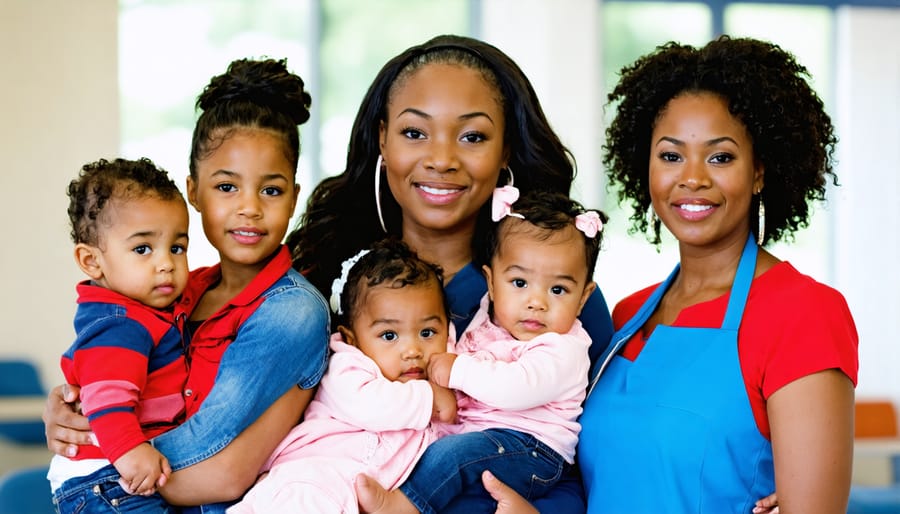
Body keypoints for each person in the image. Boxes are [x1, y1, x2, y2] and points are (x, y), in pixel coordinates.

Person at [285, 34, 616, 511]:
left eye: (473, 137)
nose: (441, 159)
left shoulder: (554, 295)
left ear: (506, 150)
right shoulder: (322, 279)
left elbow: (579, 464)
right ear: (382, 138)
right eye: (415, 133)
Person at [573, 36, 857, 513]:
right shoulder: (627, 316)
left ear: (760, 171)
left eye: (720, 156)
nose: (693, 178)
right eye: (670, 155)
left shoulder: (803, 313)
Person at [43, 58, 331, 513]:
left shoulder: (293, 311)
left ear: (295, 196)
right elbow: (105, 368)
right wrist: (73, 411)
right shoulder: (177, 289)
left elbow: (220, 462)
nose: (250, 209)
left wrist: (99, 448)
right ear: (193, 191)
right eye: (226, 187)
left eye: (271, 191)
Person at [359, 188, 608, 514]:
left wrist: (458, 370)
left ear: (584, 297)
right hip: (485, 442)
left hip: (532, 450)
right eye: (519, 283)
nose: (537, 302)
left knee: (454, 455)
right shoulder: (486, 317)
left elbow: (517, 387)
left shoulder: (565, 348)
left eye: (558, 289)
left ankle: (402, 507)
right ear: (491, 284)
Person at [228, 238, 457, 513]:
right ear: (352, 339)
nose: (412, 350)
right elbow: (371, 407)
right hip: (310, 479)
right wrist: (429, 399)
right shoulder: (348, 369)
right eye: (389, 335)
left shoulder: (451, 372)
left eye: (427, 333)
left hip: (354, 497)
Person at [49, 157, 189, 513]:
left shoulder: (145, 310)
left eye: (177, 247)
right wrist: (131, 452)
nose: (166, 263)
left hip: (112, 475)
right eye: (143, 249)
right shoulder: (120, 323)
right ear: (92, 261)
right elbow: (107, 398)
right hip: (104, 477)